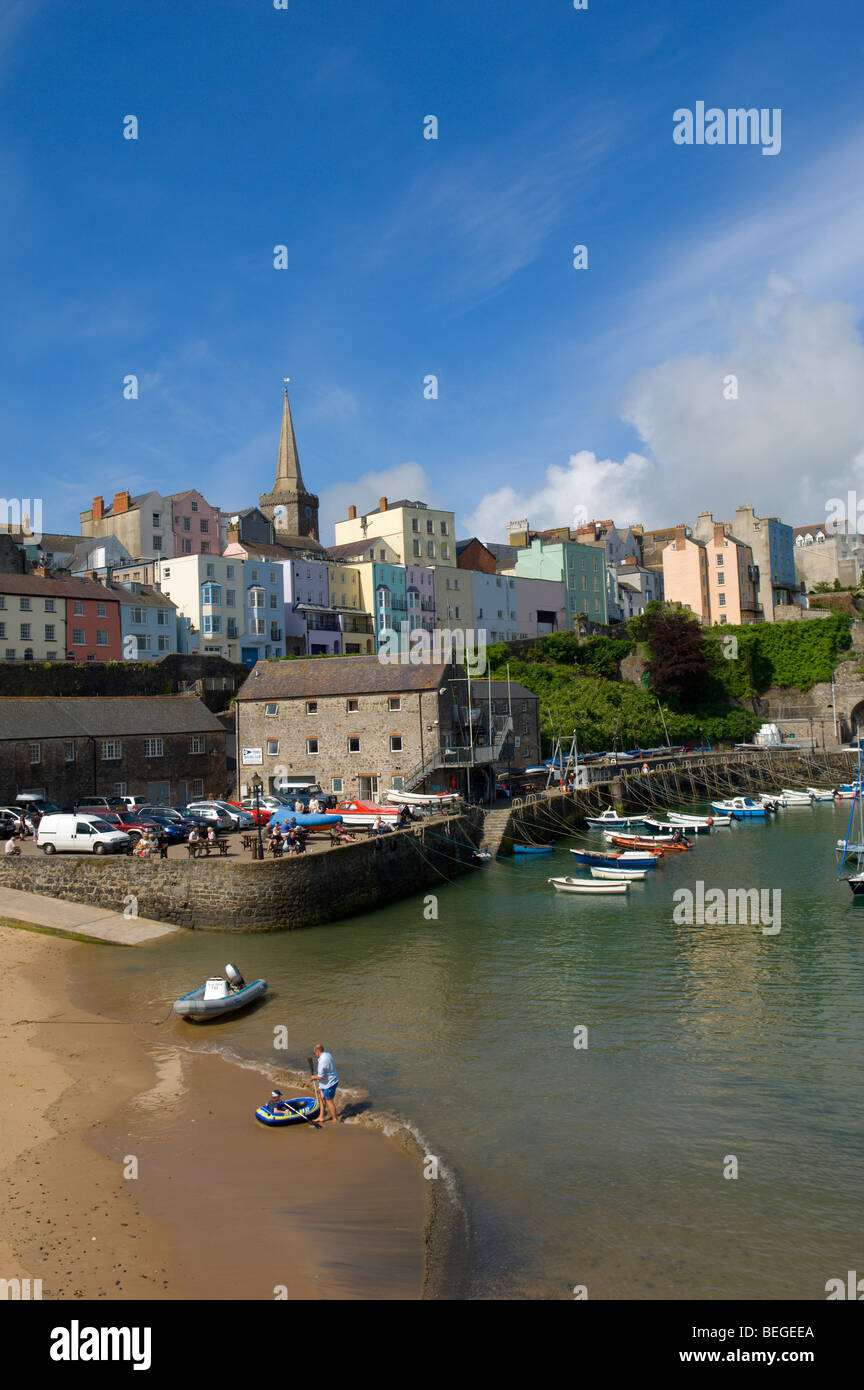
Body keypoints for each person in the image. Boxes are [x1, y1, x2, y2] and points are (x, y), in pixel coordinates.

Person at [312, 1043, 339, 1124]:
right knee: (321, 1097)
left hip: (329, 1084)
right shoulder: (327, 1054)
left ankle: (335, 1119)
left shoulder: (322, 1061)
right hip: (325, 1083)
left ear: (317, 1052)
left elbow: (320, 1077)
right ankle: (321, 1116)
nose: (314, 1055)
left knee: (329, 1101)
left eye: (314, 1053)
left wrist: (313, 1077)